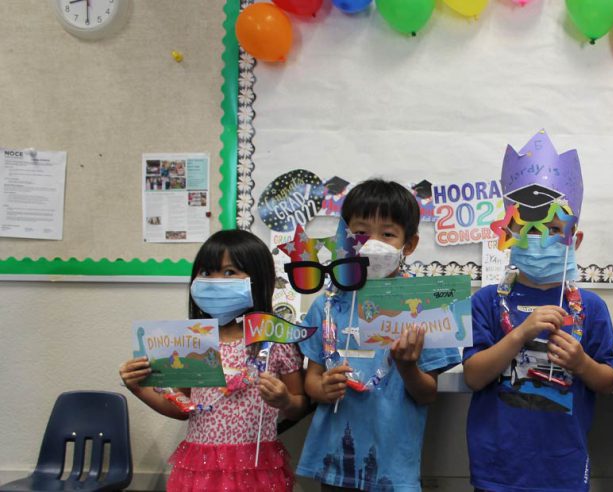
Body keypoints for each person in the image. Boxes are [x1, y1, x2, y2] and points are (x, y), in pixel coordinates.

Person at [463, 131, 613, 491]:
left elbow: (607, 382)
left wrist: (581, 363)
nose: (539, 239)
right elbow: (473, 377)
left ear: (574, 239)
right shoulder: (487, 301)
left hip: (562, 468)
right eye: (527, 228)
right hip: (497, 469)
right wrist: (520, 334)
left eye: (551, 228)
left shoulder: (590, 308)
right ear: (508, 235)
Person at [297, 179, 462, 491]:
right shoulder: (328, 304)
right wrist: (323, 388)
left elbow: (427, 394)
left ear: (408, 244)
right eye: (360, 233)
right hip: (335, 465)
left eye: (387, 234)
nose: (372, 243)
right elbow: (312, 381)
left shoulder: (427, 307)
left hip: (392, 466)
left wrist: (407, 366)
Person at [119, 229, 305, 491]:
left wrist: (285, 400)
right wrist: (137, 388)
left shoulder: (274, 340)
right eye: (206, 272)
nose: (216, 281)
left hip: (256, 466)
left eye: (230, 272)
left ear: (260, 279)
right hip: (200, 467)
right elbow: (181, 407)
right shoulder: (191, 340)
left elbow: (299, 403)